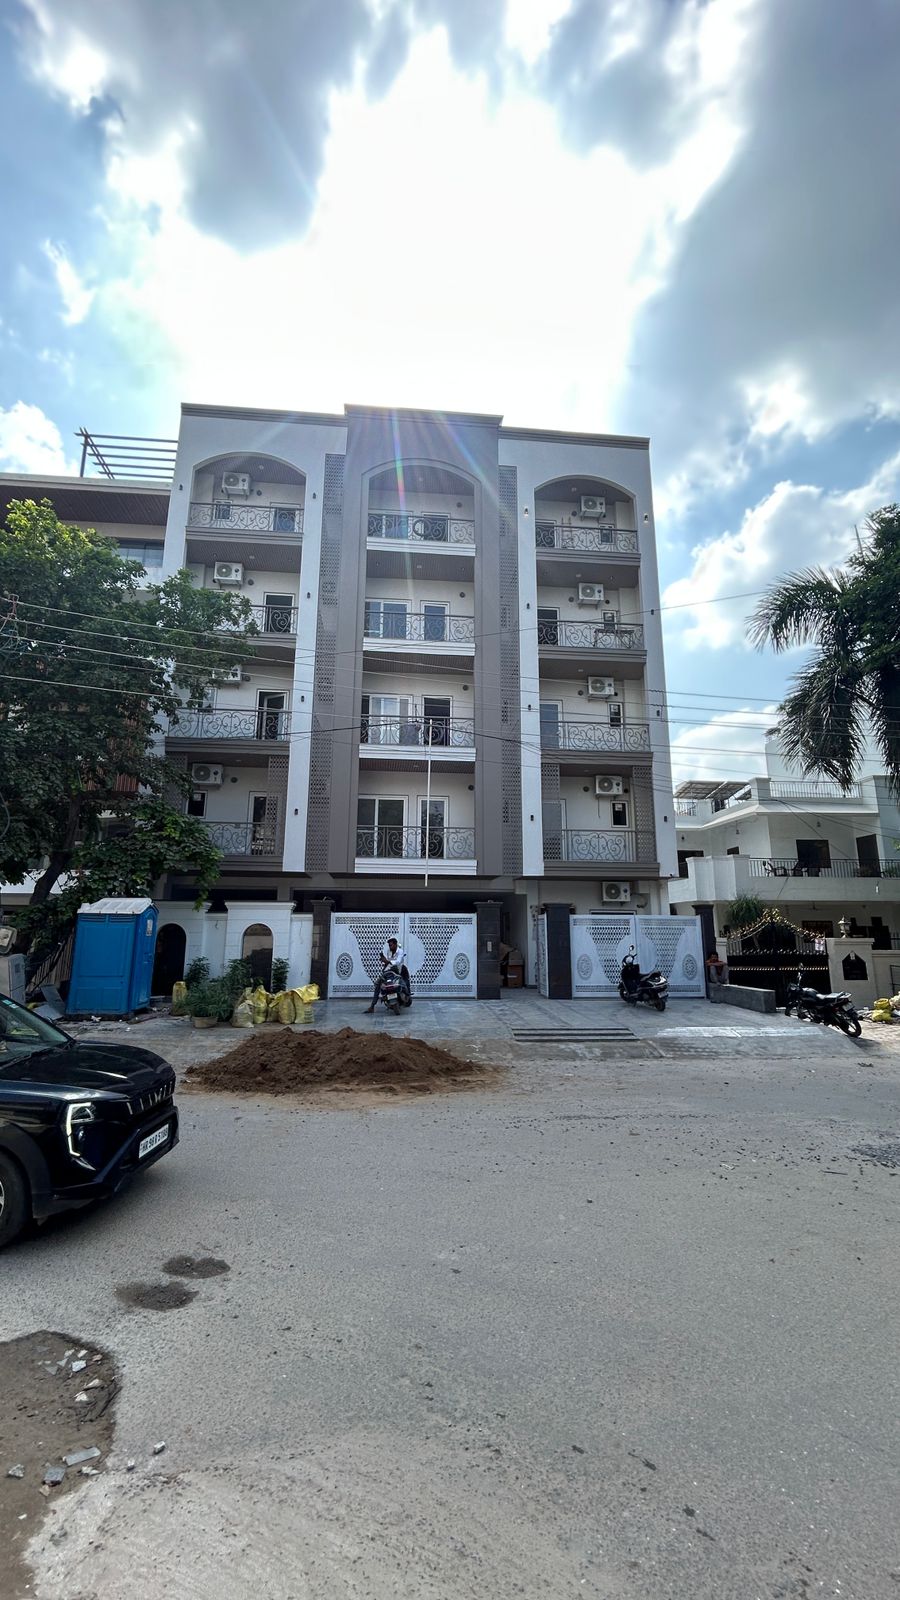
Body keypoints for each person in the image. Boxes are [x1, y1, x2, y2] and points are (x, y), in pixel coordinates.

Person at [364, 936, 410, 1013]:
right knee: (378, 985)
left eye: (391, 945)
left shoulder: (400, 951)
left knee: (403, 983)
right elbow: (388, 962)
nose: (390, 947)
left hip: (398, 970)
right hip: (389, 971)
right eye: (389, 945)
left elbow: (398, 962)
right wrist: (384, 961)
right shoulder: (389, 951)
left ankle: (407, 995)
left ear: (395, 944)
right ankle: (372, 1006)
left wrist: (387, 961)